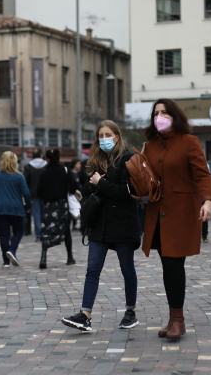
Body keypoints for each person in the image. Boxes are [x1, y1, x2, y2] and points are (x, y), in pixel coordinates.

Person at [141, 99, 211, 340]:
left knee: (174, 265)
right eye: (156, 113)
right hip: (158, 215)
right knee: (167, 266)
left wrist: (207, 201)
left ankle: (178, 320)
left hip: (181, 213)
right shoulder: (149, 146)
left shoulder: (189, 142)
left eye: (164, 112)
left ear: (175, 116)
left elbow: (203, 175)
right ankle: (174, 317)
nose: (160, 116)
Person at [61, 120, 141, 332]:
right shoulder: (96, 160)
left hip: (123, 224)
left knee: (127, 269)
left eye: (108, 134)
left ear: (117, 136)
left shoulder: (128, 158)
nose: (104, 138)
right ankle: (85, 314)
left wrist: (101, 184)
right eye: (101, 135)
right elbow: (88, 190)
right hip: (100, 225)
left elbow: (129, 192)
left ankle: (130, 311)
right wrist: (92, 184)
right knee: (92, 270)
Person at [0, 152, 32, 268]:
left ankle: (6, 262)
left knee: (4, 234)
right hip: (16, 208)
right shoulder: (19, 176)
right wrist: (29, 206)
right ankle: (12, 250)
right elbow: (26, 193)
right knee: (19, 231)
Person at [36, 148, 79, 269]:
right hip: (62, 205)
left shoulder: (44, 173)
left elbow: (39, 191)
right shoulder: (64, 171)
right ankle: (70, 257)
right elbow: (74, 187)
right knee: (66, 230)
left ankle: (43, 257)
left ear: (48, 159)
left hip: (49, 206)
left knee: (46, 231)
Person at [24, 149, 47, 243]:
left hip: (33, 193)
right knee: (45, 213)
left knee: (36, 214)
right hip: (45, 193)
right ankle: (46, 233)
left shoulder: (29, 166)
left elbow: (26, 180)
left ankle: (38, 235)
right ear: (41, 155)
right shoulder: (46, 165)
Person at [69, 158, 82, 230]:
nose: (80, 165)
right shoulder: (70, 173)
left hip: (78, 194)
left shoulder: (79, 174)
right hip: (72, 194)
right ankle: (73, 222)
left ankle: (75, 222)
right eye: (78, 164)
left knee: (78, 208)